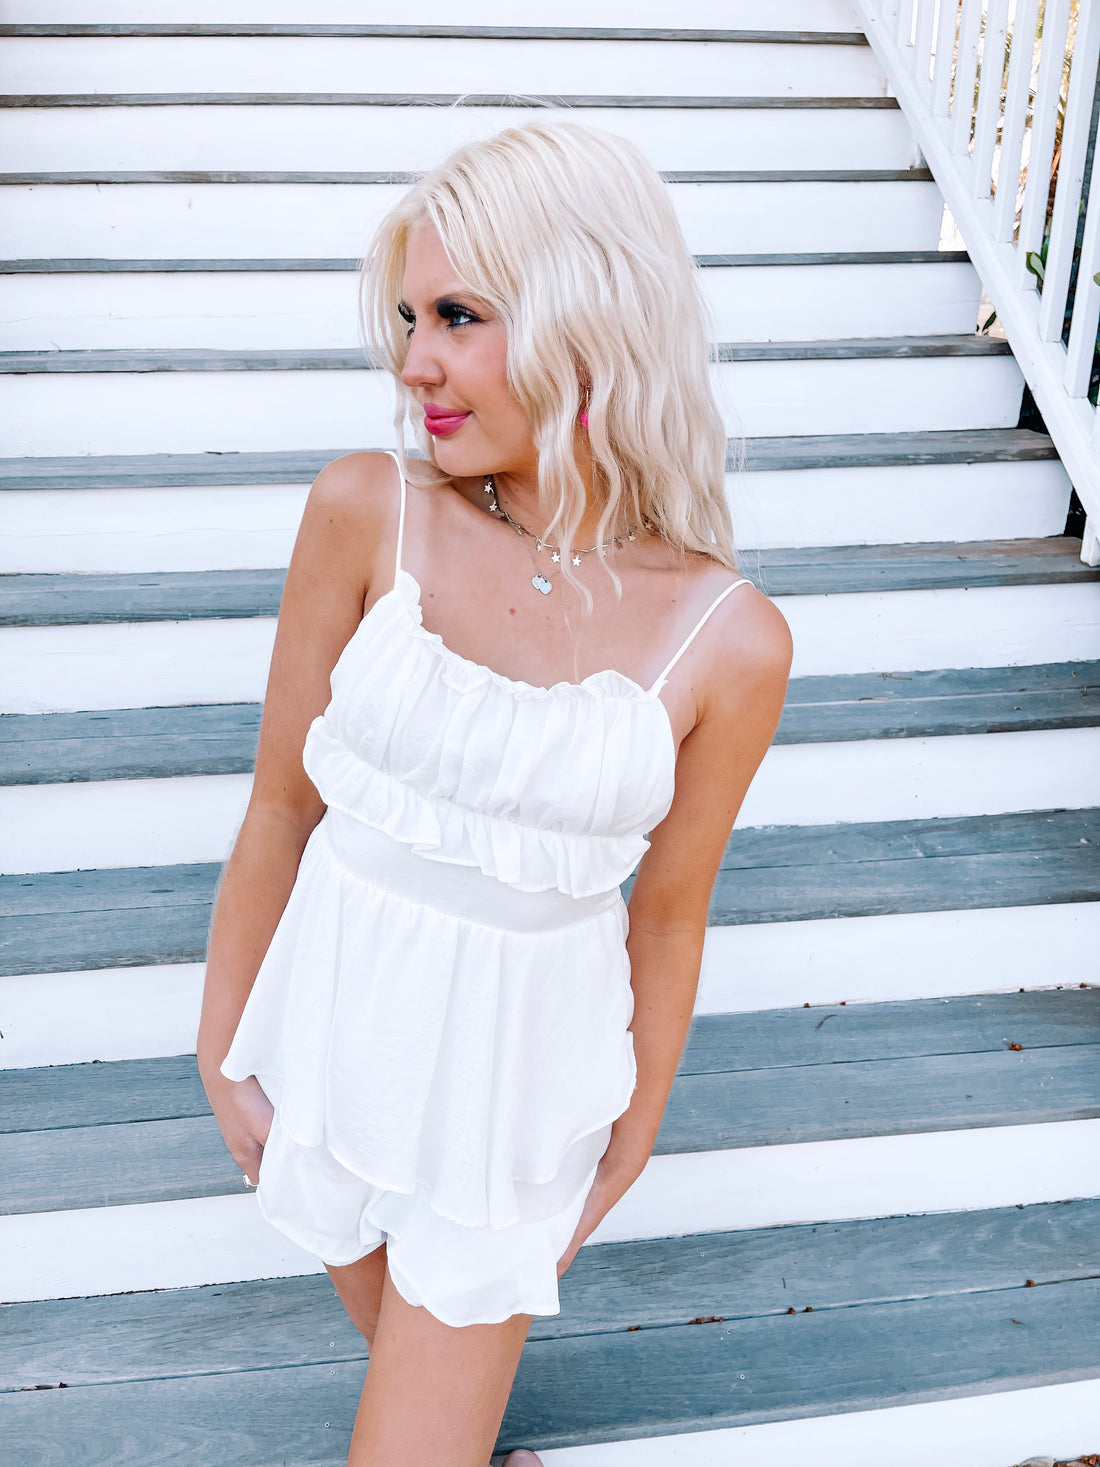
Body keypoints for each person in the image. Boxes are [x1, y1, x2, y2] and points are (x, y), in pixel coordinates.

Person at [197, 120, 792, 1467]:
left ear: (593, 317)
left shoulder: (730, 640)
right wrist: (222, 1037)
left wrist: (631, 1139)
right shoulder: (365, 510)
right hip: (329, 1044)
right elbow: (282, 801)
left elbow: (669, 915)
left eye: (459, 315)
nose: (415, 363)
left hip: (519, 1100)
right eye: (410, 317)